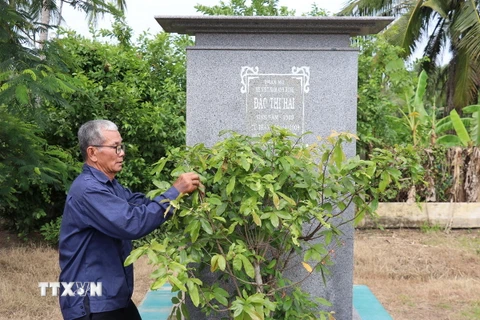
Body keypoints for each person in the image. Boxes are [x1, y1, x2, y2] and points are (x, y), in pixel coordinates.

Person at [58, 120, 200, 320]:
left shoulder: (110, 185)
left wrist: (179, 197)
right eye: (115, 147)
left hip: (112, 295)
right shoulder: (88, 190)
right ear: (92, 153)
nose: (122, 152)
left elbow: (140, 204)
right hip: (92, 300)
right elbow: (133, 222)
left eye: (121, 146)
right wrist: (174, 191)